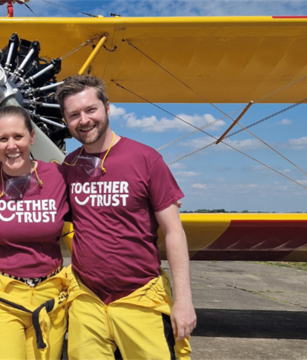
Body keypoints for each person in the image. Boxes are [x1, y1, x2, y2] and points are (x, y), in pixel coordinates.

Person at [55, 75, 196, 360]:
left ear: (108, 107)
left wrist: (184, 301)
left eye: (90, 109)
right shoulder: (69, 166)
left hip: (140, 296)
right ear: (66, 121)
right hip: (87, 299)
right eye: (74, 115)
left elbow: (173, 231)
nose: (84, 120)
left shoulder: (146, 159)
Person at [0, 106, 70, 360]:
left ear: (32, 137)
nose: (11, 145)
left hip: (51, 296)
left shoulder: (58, 176)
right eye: (3, 139)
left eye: (18, 137)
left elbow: (97, 207)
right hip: (0, 296)